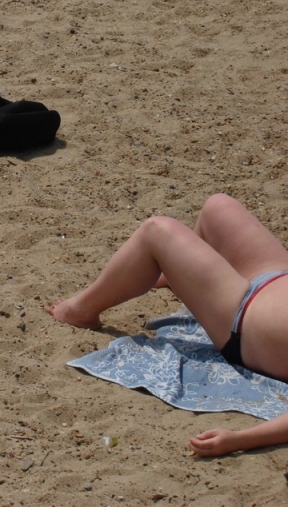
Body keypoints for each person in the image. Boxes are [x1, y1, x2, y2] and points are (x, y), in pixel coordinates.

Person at [48, 193, 288, 457]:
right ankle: (178, 277)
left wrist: (240, 439)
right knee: (218, 207)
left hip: (242, 319)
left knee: (157, 231)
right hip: (273, 277)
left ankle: (80, 311)